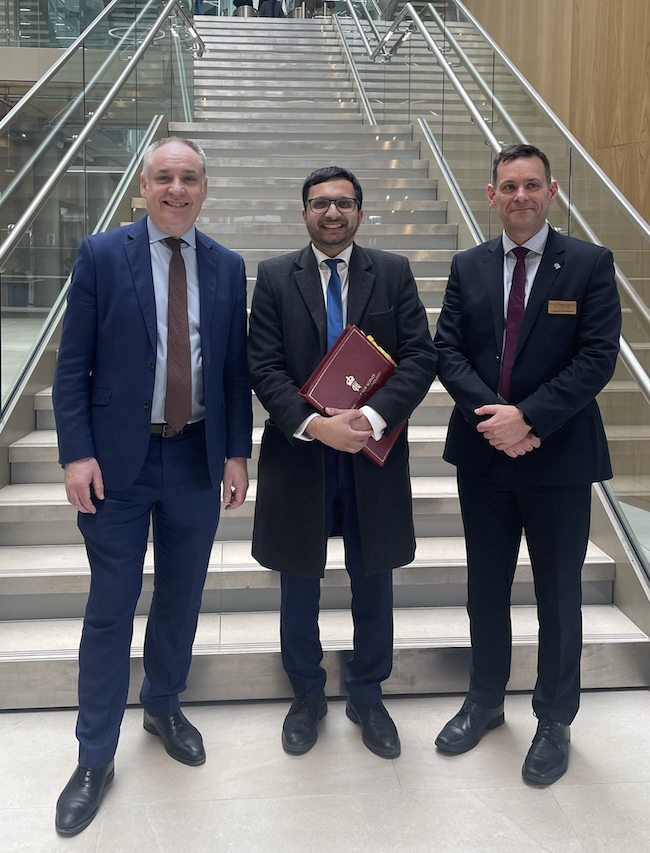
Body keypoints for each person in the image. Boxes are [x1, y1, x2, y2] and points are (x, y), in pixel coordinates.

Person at [52, 137, 252, 835]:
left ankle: (164, 702)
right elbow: (71, 364)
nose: (176, 188)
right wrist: (75, 454)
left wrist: (236, 451)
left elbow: (232, 371)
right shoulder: (102, 255)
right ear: (143, 186)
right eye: (164, 177)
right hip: (116, 465)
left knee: (181, 595)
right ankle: (93, 755)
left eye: (189, 177)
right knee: (110, 607)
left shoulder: (228, 266)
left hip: (196, 459)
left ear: (205, 187)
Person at [434, 144, 621, 784]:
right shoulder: (468, 265)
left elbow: (597, 358)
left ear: (553, 192)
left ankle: (554, 718)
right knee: (485, 589)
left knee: (558, 595)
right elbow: (448, 351)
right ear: (491, 195)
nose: (521, 196)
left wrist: (531, 419)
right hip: (484, 456)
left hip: (559, 458)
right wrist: (497, 419)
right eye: (508, 186)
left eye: (532, 186)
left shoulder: (590, 263)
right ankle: (485, 700)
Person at [248, 166, 437, 759]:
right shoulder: (277, 276)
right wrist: (314, 425)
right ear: (303, 211)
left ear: (361, 210)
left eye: (344, 203)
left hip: (370, 453)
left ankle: (366, 692)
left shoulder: (394, 272)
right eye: (321, 203)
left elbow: (419, 358)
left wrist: (371, 420)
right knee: (299, 579)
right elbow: (263, 366)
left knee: (373, 575)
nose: (333, 214)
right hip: (302, 453)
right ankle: (306, 693)